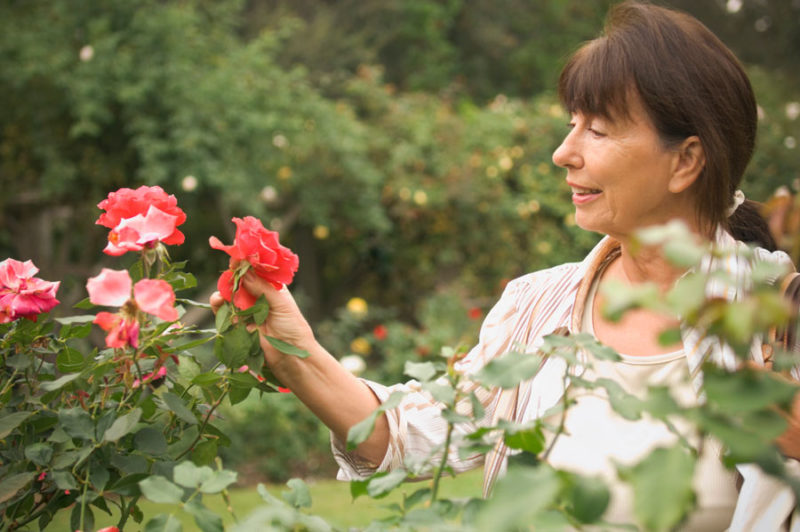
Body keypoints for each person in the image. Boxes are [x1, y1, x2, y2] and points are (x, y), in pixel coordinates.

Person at [211, 2, 798, 528]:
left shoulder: (776, 318)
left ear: (685, 160)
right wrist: (295, 351)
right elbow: (410, 438)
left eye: (597, 129)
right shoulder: (536, 308)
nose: (563, 152)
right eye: (572, 124)